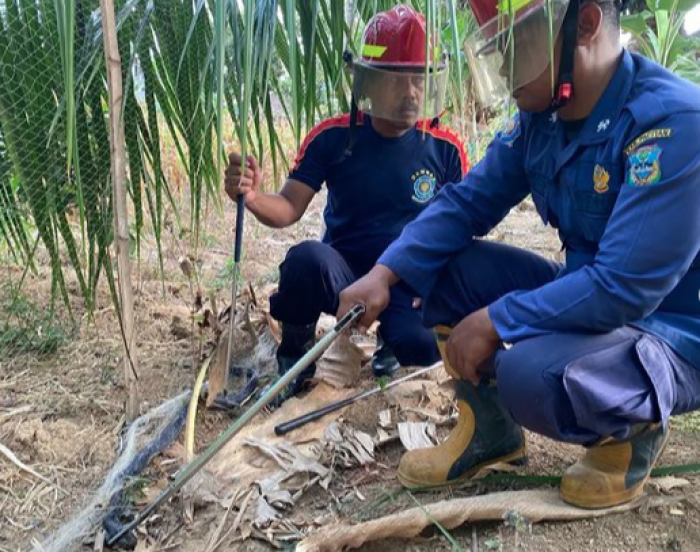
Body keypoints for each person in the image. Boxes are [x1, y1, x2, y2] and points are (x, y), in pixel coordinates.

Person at [337, 0, 700, 509]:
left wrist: (497, 320)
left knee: (529, 374)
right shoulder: (542, 116)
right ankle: (489, 435)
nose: (503, 66)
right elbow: (465, 203)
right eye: (495, 48)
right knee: (440, 271)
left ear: (586, 23)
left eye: (514, 42)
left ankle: (630, 434)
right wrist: (384, 273)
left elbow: (624, 286)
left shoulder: (674, 121)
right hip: (593, 300)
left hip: (670, 332)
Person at [224, 5, 468, 402]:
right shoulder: (334, 137)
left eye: (420, 79)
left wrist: (440, 282)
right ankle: (295, 353)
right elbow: (287, 207)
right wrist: (250, 197)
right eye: (397, 79)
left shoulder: (446, 149)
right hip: (346, 273)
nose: (411, 92)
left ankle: (393, 341)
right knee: (305, 261)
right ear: (366, 82)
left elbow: (462, 226)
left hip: (409, 277)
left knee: (422, 348)